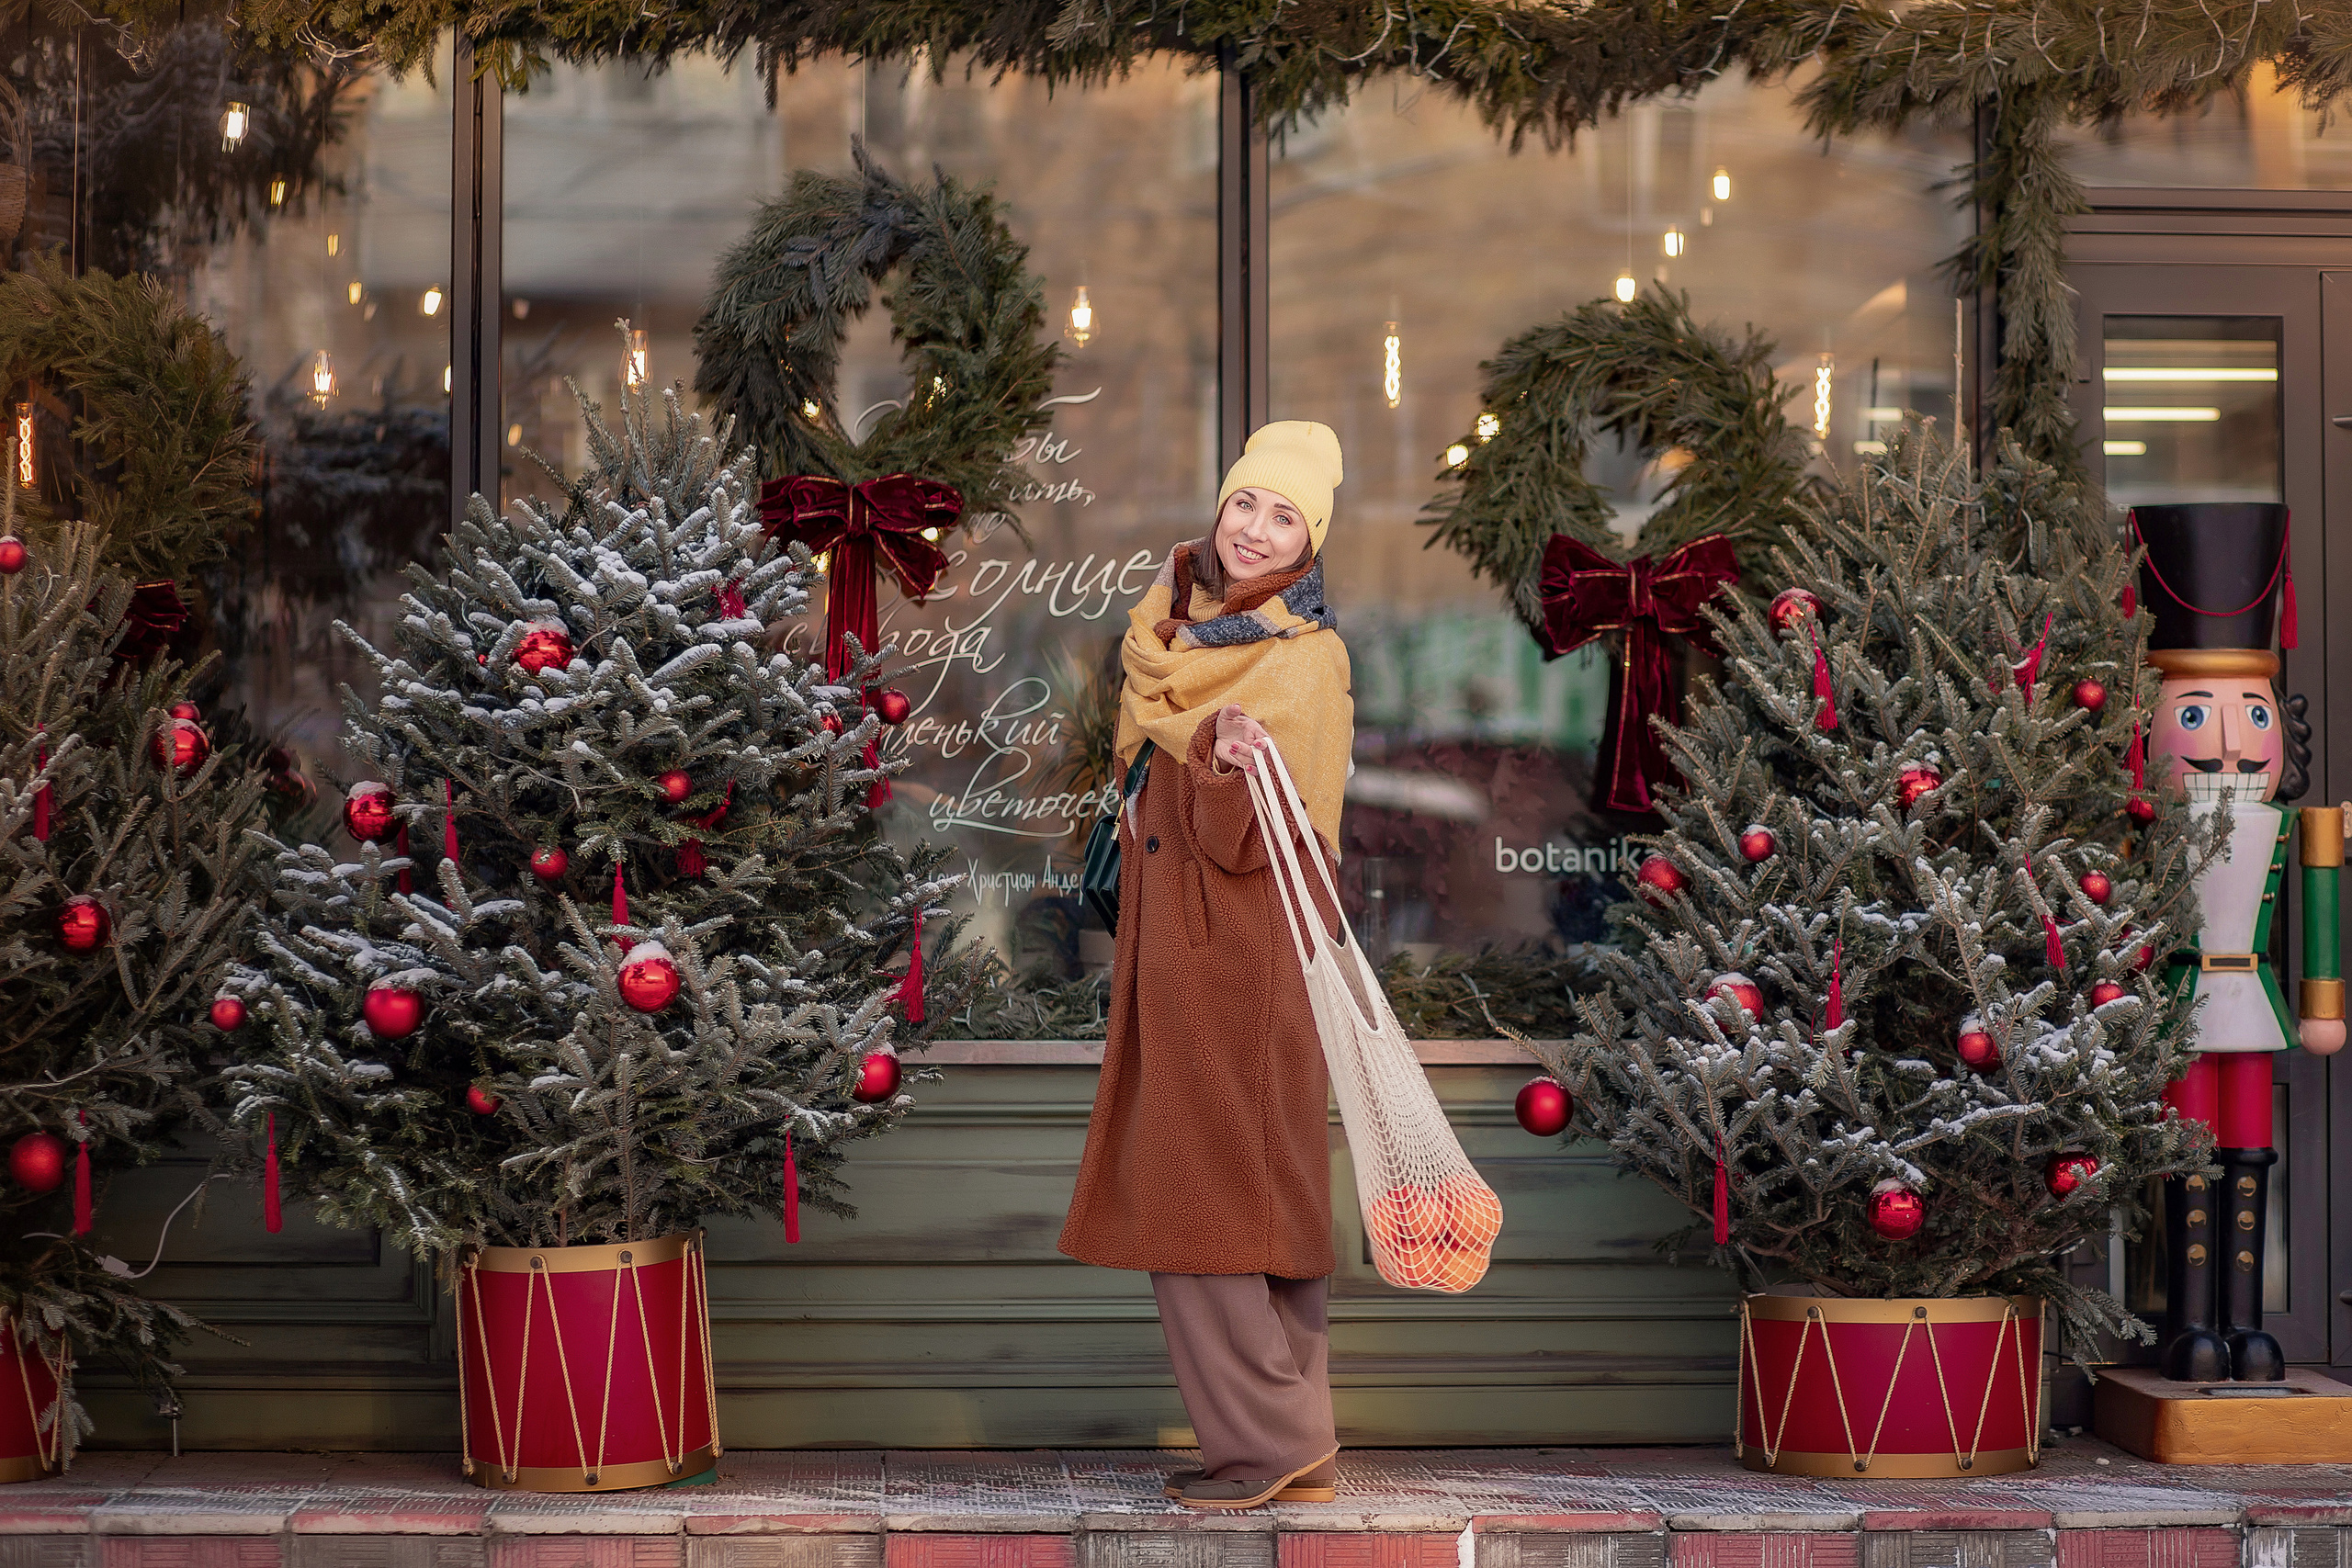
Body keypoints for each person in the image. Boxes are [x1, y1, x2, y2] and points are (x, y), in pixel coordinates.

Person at [1057, 421, 1354, 1511]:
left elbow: (1250, 836)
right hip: (1186, 944)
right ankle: (1292, 1436)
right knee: (1246, 1189)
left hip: (1246, 947)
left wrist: (1226, 756)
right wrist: (1200, 742)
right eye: (1246, 504)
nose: (1256, 530)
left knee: (1206, 1198)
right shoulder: (1168, 638)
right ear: (1220, 507)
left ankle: (1265, 1442)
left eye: (1285, 517)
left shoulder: (1304, 660)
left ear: (1308, 541)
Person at [2133, 503, 2343, 1383]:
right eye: (2193, 716)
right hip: (2182, 1003)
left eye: (2249, 712)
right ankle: (2189, 1325)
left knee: (2249, 1153)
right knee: (2188, 1155)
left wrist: (2323, 1000)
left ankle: (2248, 1324)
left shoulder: (2300, 823)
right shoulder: (2143, 825)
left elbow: (2319, 910)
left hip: (2252, 1001)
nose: (2226, 743)